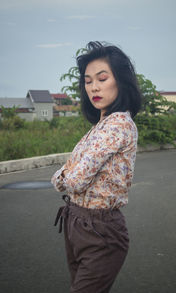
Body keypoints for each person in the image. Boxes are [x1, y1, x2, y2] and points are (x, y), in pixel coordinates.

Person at [51, 41, 142, 293]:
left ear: (120, 81)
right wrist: (66, 174)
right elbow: (62, 175)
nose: (94, 87)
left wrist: (66, 174)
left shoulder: (119, 125)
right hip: (76, 222)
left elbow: (73, 179)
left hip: (100, 230)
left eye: (102, 78)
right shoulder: (98, 128)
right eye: (88, 81)